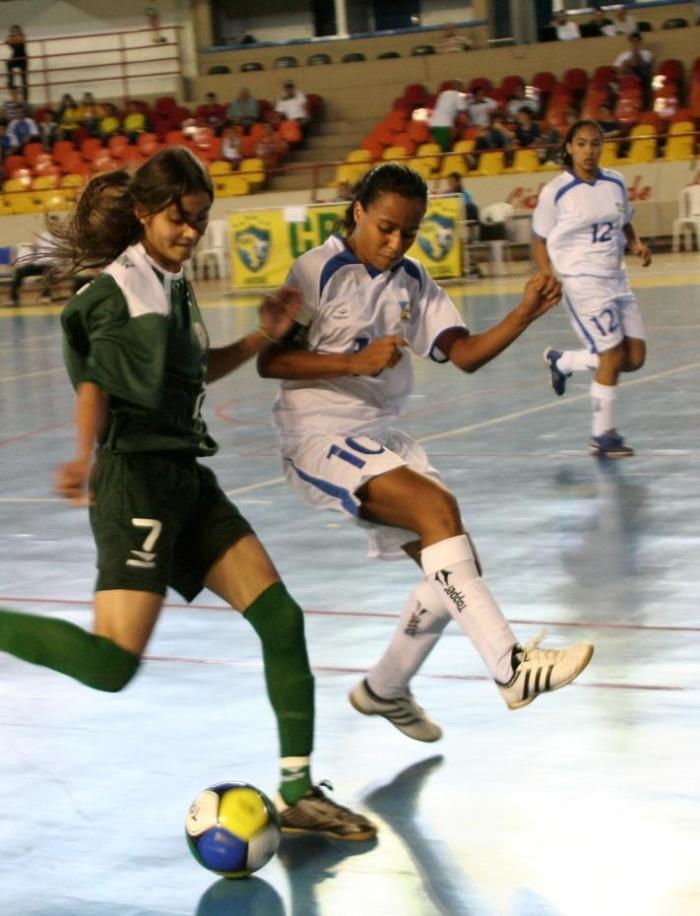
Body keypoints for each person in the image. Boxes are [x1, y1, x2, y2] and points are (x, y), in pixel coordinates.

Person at [0, 147, 376, 842]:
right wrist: (81, 456)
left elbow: (194, 369)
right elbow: (98, 384)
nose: (191, 233)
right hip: (135, 480)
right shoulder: (119, 290)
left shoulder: (171, 282)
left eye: (200, 221)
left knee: (281, 619)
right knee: (113, 665)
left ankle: (297, 790)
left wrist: (263, 334)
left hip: (185, 477)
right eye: (180, 219)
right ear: (143, 212)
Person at [257, 163, 594, 739]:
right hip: (319, 433)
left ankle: (384, 688)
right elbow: (270, 361)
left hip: (380, 434)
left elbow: (462, 354)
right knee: (439, 518)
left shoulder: (412, 280)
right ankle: (512, 671)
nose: (396, 243)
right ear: (359, 211)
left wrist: (523, 313)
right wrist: (350, 363)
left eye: (408, 232)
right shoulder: (316, 271)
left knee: (456, 569)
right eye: (386, 227)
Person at [532, 120, 651, 458]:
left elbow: (623, 220)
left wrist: (636, 244)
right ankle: (602, 436)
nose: (589, 150)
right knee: (612, 354)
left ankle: (564, 361)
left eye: (595, 144)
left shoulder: (616, 181)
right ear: (569, 147)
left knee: (635, 358)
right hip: (581, 281)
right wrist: (547, 274)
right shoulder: (556, 191)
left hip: (617, 279)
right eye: (581, 144)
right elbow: (538, 240)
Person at [444, 171, 481, 278]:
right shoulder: (447, 194)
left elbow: (468, 209)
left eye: (452, 182)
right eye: (449, 182)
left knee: (470, 247)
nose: (450, 184)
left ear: (458, 182)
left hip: (468, 225)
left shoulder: (466, 194)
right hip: (453, 227)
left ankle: (473, 268)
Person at [428, 79, 468, 152]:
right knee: (444, 149)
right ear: (459, 87)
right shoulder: (457, 95)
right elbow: (463, 109)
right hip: (443, 125)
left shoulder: (444, 94)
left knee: (437, 148)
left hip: (433, 123)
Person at [5, 25, 28, 100]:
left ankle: (25, 99)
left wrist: (13, 40)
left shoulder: (21, 36)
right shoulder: (13, 37)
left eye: (16, 30)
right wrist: (12, 40)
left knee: (24, 80)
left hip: (22, 58)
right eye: (13, 31)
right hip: (16, 57)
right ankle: (11, 83)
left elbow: (22, 41)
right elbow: (7, 42)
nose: (15, 32)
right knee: (8, 63)